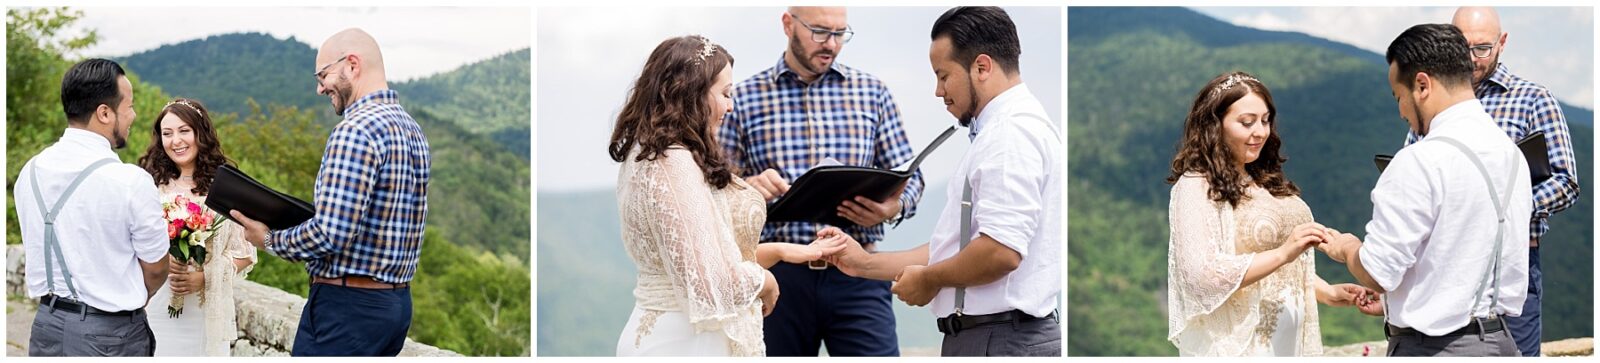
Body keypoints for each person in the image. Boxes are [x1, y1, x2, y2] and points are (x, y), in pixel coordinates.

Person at [821, 7, 1063, 356]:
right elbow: (956, 247)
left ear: (981, 67)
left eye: (943, 75)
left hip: (1001, 340)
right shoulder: (1001, 131)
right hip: (993, 337)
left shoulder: (1009, 135)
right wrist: (862, 263)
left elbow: (1000, 251)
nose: (938, 91)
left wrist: (930, 280)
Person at [609, 35, 846, 357]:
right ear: (690, 93)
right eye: (725, 94)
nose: (731, 106)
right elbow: (710, 284)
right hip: (683, 343)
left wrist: (784, 250)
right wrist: (765, 281)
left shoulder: (654, 155)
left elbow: (700, 258)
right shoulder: (673, 163)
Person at [717, 6, 924, 356]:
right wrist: (748, 187)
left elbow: (910, 174)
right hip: (778, 276)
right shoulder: (744, 98)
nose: (832, 43)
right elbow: (716, 188)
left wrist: (892, 207)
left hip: (859, 272)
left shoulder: (874, 93)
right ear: (787, 24)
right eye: (820, 32)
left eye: (840, 33)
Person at [1317, 23, 1531, 357]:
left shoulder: (1419, 160)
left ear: (1422, 85)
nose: (1401, 111)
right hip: (1502, 343)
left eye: (1399, 96)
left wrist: (1346, 247)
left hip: (1434, 349)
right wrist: (1404, 301)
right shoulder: (1512, 155)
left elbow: (1377, 272)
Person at [230, 28, 430, 356]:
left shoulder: (354, 131)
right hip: (395, 306)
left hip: (347, 309)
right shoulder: (412, 129)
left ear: (352, 65)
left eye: (323, 75)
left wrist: (267, 239)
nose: (320, 87)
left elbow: (331, 233)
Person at [1162, 70, 1382, 357]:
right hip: (1241, 347)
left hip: (1286, 344)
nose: (1260, 132)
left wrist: (1326, 292)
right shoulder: (1195, 186)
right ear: (1215, 125)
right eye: (1246, 122)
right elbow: (1201, 277)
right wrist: (1284, 252)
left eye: (1265, 120)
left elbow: (1272, 270)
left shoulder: (1264, 179)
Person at [1402, 7, 1581, 356]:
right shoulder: (1431, 100)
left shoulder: (1533, 99)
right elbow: (1414, 165)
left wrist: (1505, 208)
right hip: (1442, 265)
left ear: (1503, 43)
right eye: (1460, 46)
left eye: (1481, 48)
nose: (1470, 59)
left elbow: (1566, 182)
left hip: (1510, 265)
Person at [14, 58, 171, 356]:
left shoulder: (30, 171)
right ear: (104, 113)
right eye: (129, 107)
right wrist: (129, 295)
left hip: (46, 327)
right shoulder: (129, 181)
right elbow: (156, 268)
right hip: (110, 336)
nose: (133, 116)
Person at [136, 98, 257, 356]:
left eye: (184, 131)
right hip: (157, 304)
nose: (176, 141)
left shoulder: (224, 187)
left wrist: (203, 278)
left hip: (203, 312)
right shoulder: (149, 184)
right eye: (167, 133)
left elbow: (245, 254)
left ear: (200, 133)